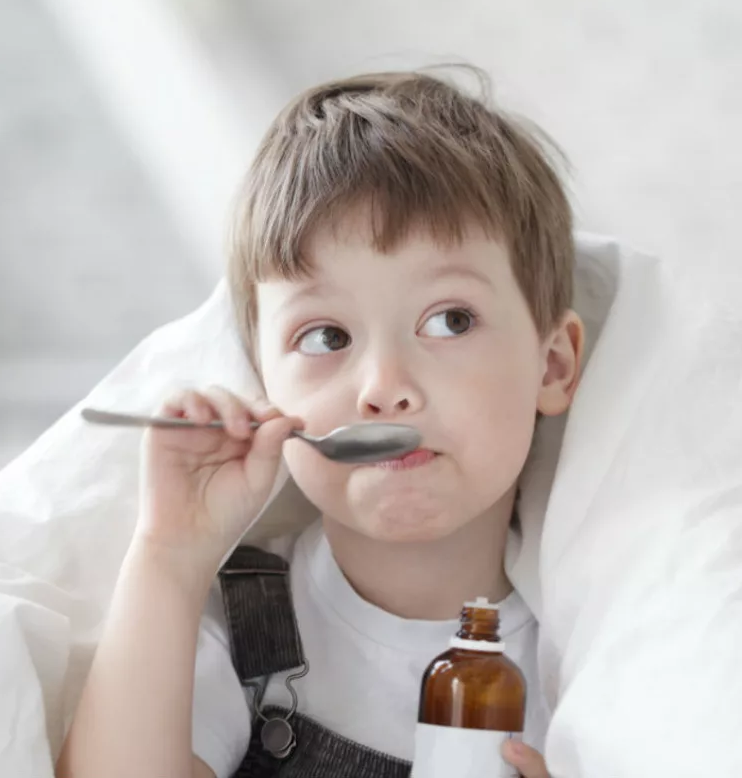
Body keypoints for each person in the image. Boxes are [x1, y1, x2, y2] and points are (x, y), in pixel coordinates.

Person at [56, 66, 585, 778]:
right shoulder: (238, 628)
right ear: (264, 384)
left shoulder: (594, 658)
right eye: (327, 337)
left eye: (450, 320)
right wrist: (169, 553)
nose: (383, 388)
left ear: (551, 366)